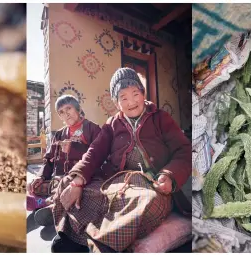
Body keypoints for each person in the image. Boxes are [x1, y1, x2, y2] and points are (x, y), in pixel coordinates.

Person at [50, 67, 192, 252]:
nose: (131, 102)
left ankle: (101, 242)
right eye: (123, 97)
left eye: (135, 94)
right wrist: (78, 180)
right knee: (69, 182)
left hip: (150, 185)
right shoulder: (112, 124)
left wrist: (169, 175)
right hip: (118, 182)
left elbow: (184, 150)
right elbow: (94, 151)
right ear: (117, 103)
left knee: (149, 201)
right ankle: (70, 234)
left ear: (143, 94)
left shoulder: (160, 118)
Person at [27, 95, 101, 227]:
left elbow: (98, 155)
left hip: (82, 177)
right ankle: (50, 200)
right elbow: (49, 160)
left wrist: (74, 148)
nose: (66, 114)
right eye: (61, 112)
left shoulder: (92, 129)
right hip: (59, 178)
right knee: (36, 185)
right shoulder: (59, 134)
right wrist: (40, 176)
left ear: (78, 109)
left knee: (81, 190)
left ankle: (47, 204)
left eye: (69, 108)